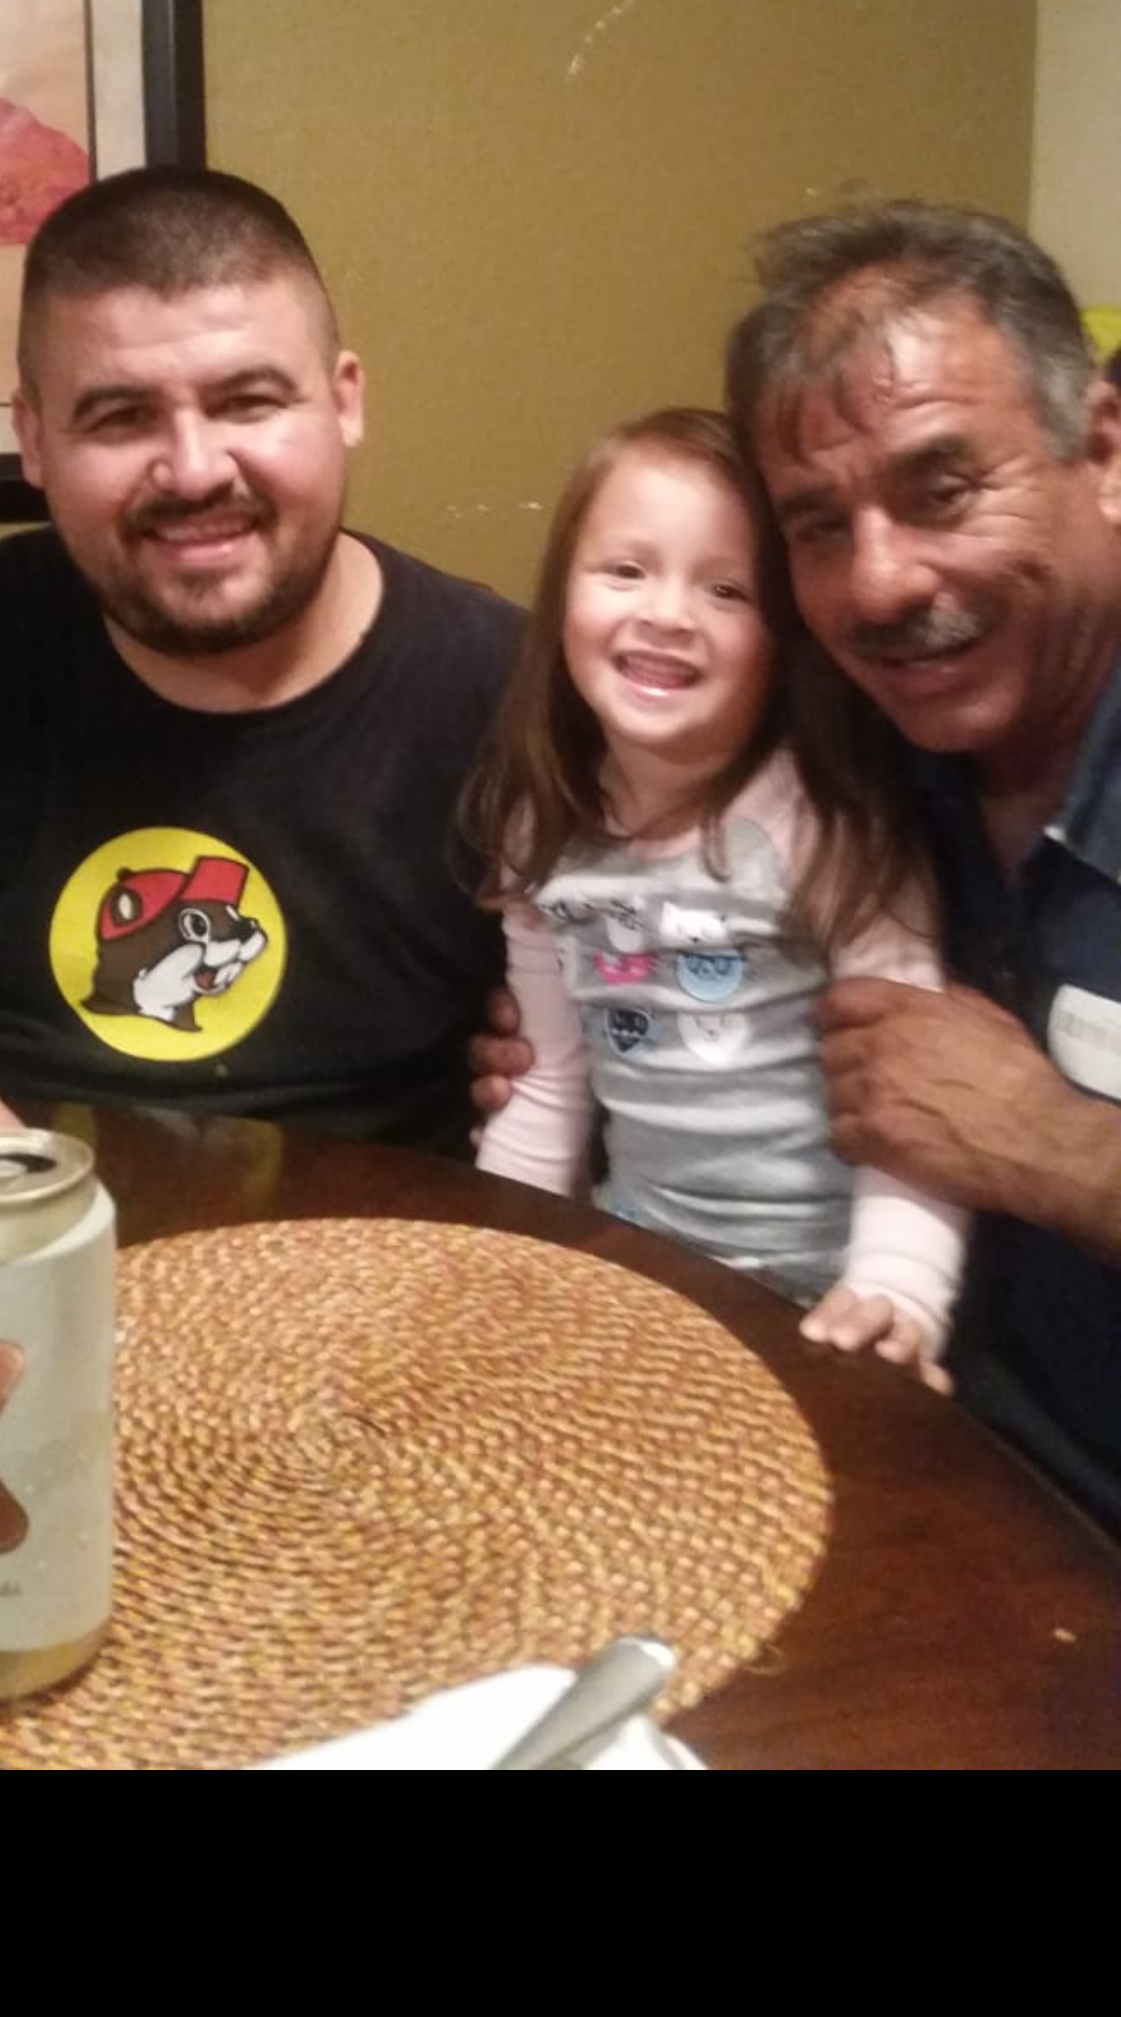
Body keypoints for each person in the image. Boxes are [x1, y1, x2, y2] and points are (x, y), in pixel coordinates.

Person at [471, 201, 1121, 1535]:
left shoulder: (860, 783)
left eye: (943, 489)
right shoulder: (876, 749)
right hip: (902, 1458)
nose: (879, 584)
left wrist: (1058, 1149)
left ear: (1103, 449)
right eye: (819, 526)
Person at [0, 168, 522, 1258]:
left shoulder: (514, 690)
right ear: (33, 439)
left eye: (249, 401)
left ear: (343, 400)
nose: (195, 470)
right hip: (19, 1275)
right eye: (120, 416)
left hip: (393, 1288)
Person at [468, 406, 966, 1379]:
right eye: (626, 570)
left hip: (829, 1298)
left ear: (784, 640)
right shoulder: (540, 828)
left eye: (727, 589)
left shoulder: (826, 824)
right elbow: (548, 1082)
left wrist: (898, 1291)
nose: (667, 613)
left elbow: (917, 1092)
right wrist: (494, 1258)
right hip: (642, 1274)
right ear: (562, 593)